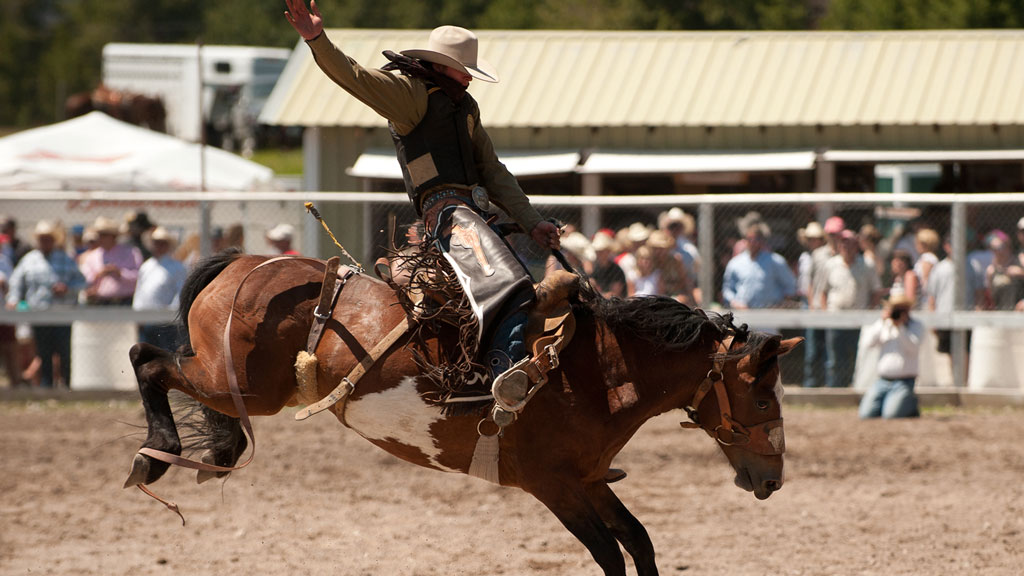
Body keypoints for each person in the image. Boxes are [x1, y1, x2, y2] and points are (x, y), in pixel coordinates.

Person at [285, 3, 560, 388]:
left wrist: (533, 222)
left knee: (515, 282)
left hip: (471, 215)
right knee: (510, 282)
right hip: (448, 213)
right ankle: (505, 371)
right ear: (443, 65)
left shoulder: (465, 106)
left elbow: (492, 171)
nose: (469, 77)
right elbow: (356, 78)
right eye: (464, 69)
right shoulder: (412, 95)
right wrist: (318, 40)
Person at [5, 221, 86, 388]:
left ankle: (65, 386)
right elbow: (16, 283)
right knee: (43, 352)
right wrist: (13, 300)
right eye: (42, 238)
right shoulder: (29, 260)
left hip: (62, 313)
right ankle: (46, 386)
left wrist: (67, 288)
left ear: (53, 239)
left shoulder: (65, 258)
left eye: (48, 238)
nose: (45, 241)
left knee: (64, 352)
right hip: (39, 314)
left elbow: (81, 281)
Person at [819, 230, 882, 388]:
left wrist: (869, 311)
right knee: (834, 358)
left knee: (857, 356)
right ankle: (835, 390)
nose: (846, 246)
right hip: (835, 318)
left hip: (859, 319)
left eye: (850, 243)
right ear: (839, 246)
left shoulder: (867, 264)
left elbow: (876, 291)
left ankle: (855, 388)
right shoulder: (830, 265)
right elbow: (823, 292)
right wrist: (825, 313)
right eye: (843, 243)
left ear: (857, 245)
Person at [858, 292, 923, 419]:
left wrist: (900, 328)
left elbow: (913, 348)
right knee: (865, 415)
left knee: (891, 415)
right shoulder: (883, 325)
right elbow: (867, 343)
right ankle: (897, 402)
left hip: (904, 382)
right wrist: (883, 322)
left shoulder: (916, 326)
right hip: (882, 381)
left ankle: (910, 403)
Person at [133, 227, 188, 351]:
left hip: (166, 322)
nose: (158, 246)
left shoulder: (177, 267)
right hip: (146, 319)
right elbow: (139, 292)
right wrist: (137, 315)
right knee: (146, 356)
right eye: (156, 242)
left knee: (167, 356)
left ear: (168, 245)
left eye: (162, 243)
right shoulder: (146, 266)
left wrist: (171, 315)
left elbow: (180, 293)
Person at [721, 218, 796, 310]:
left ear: (762, 241)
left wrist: (781, 305)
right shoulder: (735, 263)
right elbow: (727, 290)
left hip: (769, 315)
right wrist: (735, 303)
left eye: (756, 239)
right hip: (743, 314)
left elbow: (790, 286)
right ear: (745, 240)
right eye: (750, 239)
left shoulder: (776, 261)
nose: (753, 242)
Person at [79, 216, 142, 305]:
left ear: (113, 236)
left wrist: (120, 273)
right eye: (99, 234)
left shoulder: (131, 253)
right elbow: (86, 279)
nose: (100, 238)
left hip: (126, 301)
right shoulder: (92, 256)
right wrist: (99, 274)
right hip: (100, 302)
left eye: (104, 234)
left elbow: (138, 276)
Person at [589, 232, 626, 299]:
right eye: (597, 251)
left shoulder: (616, 270)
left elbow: (614, 295)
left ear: (608, 251)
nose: (599, 254)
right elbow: (591, 289)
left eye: (602, 251)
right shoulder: (595, 269)